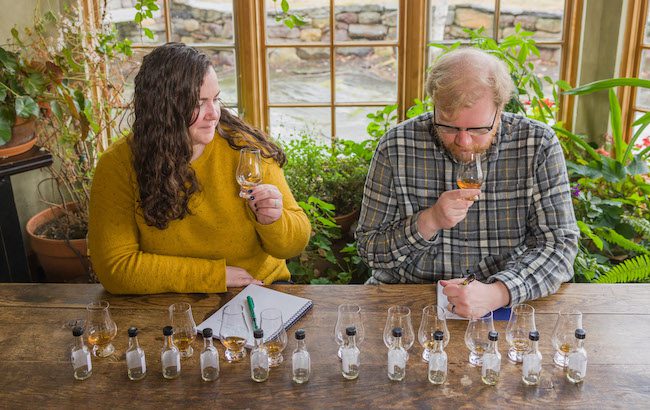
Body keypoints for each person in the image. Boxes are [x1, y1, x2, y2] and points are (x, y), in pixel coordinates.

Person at [356, 48, 579, 317]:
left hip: (500, 304)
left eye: (477, 129)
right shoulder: (396, 145)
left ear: (500, 109)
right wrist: (429, 221)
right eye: (448, 127)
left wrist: (499, 292)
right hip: (408, 299)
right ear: (434, 105)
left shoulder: (537, 145)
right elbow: (369, 251)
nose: (464, 142)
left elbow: (559, 246)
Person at [88, 43, 310, 294]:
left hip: (258, 289)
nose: (213, 113)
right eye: (198, 103)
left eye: (215, 99)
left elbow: (293, 245)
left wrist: (274, 221)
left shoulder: (244, 149)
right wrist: (214, 275)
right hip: (166, 300)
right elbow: (116, 268)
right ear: (162, 110)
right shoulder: (118, 165)